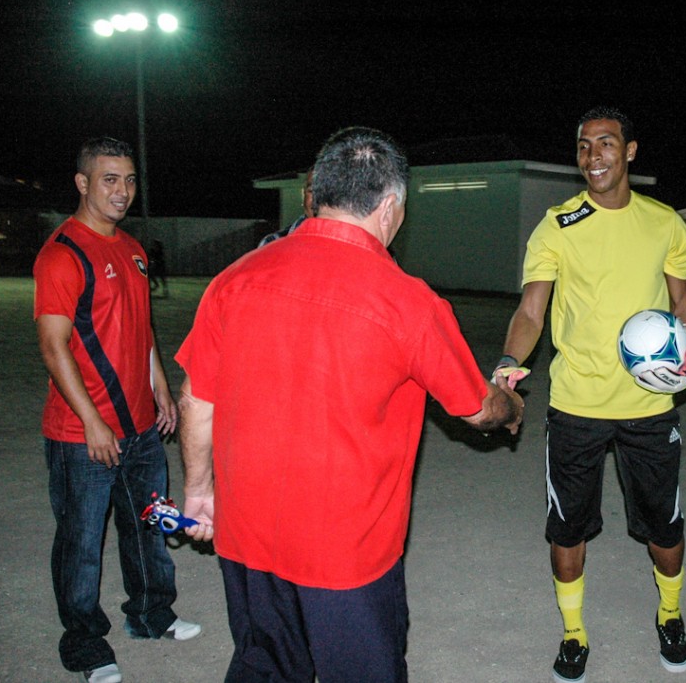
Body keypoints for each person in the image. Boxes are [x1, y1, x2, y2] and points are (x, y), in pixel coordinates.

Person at [175, 126, 524, 682]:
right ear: (389, 208)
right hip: (346, 556)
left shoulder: (236, 279)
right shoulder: (408, 302)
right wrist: (511, 406)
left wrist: (198, 492)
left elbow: (197, 396)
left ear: (316, 195)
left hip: (247, 537)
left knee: (264, 668)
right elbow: (477, 410)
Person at [496, 107, 686, 682]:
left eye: (606, 144)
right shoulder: (557, 225)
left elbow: (681, 304)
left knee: (665, 527)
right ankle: (573, 633)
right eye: (584, 146)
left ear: (629, 151)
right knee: (567, 527)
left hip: (649, 406)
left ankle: (670, 614)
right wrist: (509, 364)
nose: (593, 157)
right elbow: (531, 311)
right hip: (576, 405)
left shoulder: (665, 224)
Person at [33, 136, 201, 683]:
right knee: (82, 543)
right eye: (109, 180)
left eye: (129, 180)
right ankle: (84, 646)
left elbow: (140, 326)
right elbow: (53, 346)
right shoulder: (62, 254)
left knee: (149, 523)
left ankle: (152, 614)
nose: (122, 191)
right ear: (82, 183)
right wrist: (92, 422)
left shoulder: (131, 248)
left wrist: (160, 388)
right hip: (83, 433)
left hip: (140, 428)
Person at [257, 166, 314, 247]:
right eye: (311, 191)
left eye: (329, 192)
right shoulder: (272, 245)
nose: (320, 199)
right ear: (303, 195)